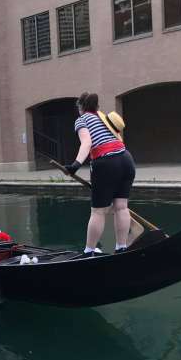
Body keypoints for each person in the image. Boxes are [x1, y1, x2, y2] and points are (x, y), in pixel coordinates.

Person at [64, 92, 135, 257]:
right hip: (126, 159)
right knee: (121, 207)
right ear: (97, 107)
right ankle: (121, 247)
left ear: (81, 108)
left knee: (98, 211)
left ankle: (89, 251)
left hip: (106, 163)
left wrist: (75, 165)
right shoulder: (104, 118)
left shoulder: (81, 120)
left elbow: (87, 142)